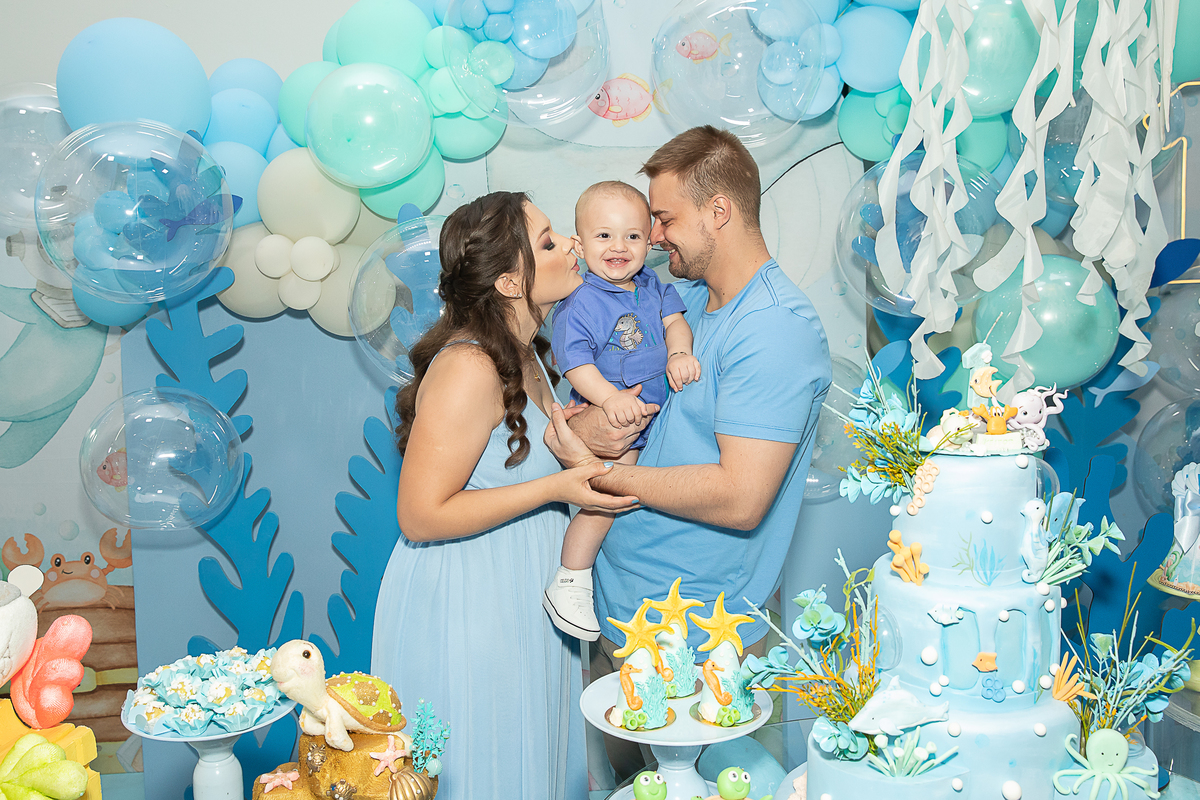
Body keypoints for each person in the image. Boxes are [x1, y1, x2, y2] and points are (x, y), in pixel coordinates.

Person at [546, 126, 832, 779]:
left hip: (697, 630)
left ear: (718, 211)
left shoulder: (775, 329)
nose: (653, 236)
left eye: (665, 219)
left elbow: (740, 497)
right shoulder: (680, 300)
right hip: (623, 604)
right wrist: (590, 431)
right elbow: (597, 395)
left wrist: (606, 479)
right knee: (640, 785)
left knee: (717, 782)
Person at [372, 192, 637, 799]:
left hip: (521, 586)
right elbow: (419, 515)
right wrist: (558, 486)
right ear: (511, 281)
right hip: (469, 597)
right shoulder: (468, 366)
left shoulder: (531, 355)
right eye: (549, 242)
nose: (572, 244)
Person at [542, 180, 701, 642]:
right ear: (580, 243)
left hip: (659, 417)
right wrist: (609, 399)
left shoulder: (651, 284)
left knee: (662, 493)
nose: (619, 247)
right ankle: (570, 578)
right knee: (607, 499)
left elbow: (675, 323)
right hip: (618, 421)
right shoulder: (579, 301)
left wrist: (679, 353)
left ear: (649, 241)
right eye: (604, 236)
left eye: (632, 236)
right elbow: (575, 363)